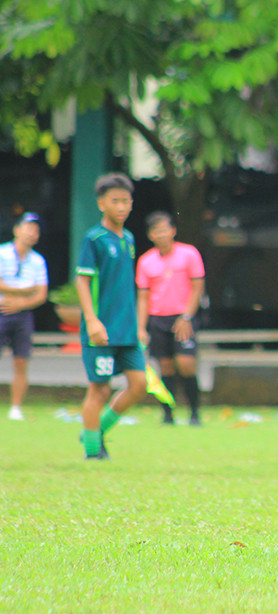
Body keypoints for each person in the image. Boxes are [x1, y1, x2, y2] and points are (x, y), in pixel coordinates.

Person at [76, 173, 147, 460]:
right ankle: (93, 452)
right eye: (115, 201)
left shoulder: (128, 238)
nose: (121, 207)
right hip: (101, 329)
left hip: (127, 330)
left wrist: (139, 326)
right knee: (100, 390)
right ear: (101, 204)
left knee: (139, 386)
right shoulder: (94, 239)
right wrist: (92, 320)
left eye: (126, 201)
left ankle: (93, 430)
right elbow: (82, 281)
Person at [136, 211, 206, 426]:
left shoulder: (189, 254)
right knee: (164, 367)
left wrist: (187, 316)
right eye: (157, 231)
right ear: (150, 235)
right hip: (158, 319)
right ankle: (168, 414)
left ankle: (194, 413)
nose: (162, 234)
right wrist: (141, 328)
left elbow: (197, 288)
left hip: (183, 318)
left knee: (186, 364)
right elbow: (143, 297)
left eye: (165, 229)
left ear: (173, 231)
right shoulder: (146, 261)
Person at [0, 212, 48, 420]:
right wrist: (25, 291)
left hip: (23, 315)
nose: (32, 234)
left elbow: (41, 294)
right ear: (17, 230)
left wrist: (21, 303)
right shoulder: (2, 253)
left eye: (36, 231)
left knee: (21, 361)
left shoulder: (38, 261)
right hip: (1, 311)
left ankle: (16, 408)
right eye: (28, 228)